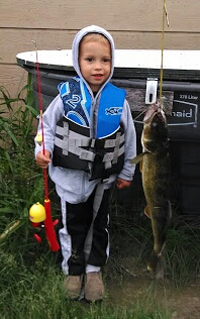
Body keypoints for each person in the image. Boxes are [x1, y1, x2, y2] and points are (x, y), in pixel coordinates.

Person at [35, 25, 137, 302]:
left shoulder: (118, 101)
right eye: (90, 59)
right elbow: (45, 128)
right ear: (77, 61)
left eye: (105, 60)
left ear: (112, 62)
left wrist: (127, 170)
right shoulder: (65, 97)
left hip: (102, 183)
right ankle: (73, 270)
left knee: (98, 226)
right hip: (69, 182)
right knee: (72, 227)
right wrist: (41, 151)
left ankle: (93, 271)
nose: (98, 67)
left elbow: (129, 140)